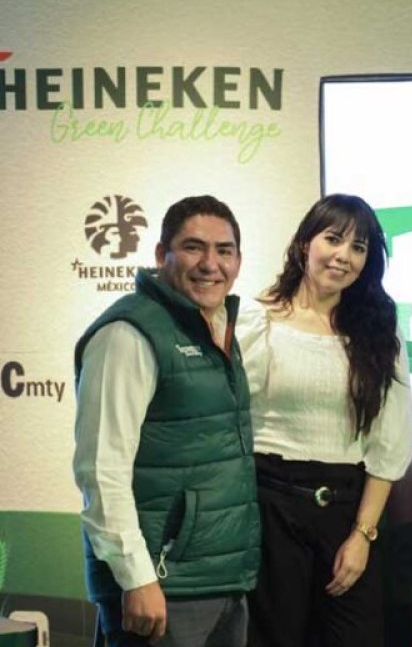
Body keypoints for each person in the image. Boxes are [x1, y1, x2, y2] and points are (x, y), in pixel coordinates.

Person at [73, 195, 259, 647]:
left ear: (238, 261)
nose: (210, 264)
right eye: (193, 247)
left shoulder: (216, 327)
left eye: (224, 250)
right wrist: (136, 577)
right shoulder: (127, 334)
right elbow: (102, 468)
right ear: (162, 255)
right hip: (160, 588)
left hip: (219, 581)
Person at [235, 194, 412, 646]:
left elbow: (389, 441)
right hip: (270, 509)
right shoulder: (256, 320)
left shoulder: (379, 331)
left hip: (347, 511)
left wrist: (363, 535)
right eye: (333, 239)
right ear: (304, 244)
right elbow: (231, 422)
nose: (343, 256)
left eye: (358, 248)